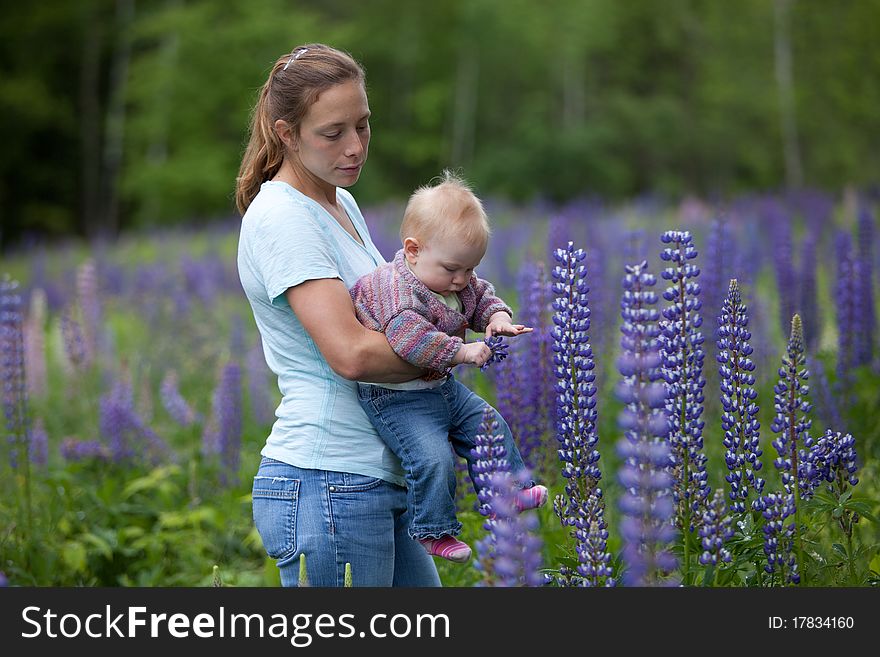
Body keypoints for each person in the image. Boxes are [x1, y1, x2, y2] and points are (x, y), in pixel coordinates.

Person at [235, 43, 441, 587]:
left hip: (376, 473)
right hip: (327, 477)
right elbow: (350, 353)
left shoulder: (338, 201)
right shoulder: (282, 216)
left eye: (363, 126)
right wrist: (447, 352)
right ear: (286, 133)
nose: (355, 147)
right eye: (333, 133)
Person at [350, 171, 549, 563]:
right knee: (432, 456)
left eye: (470, 269)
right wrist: (462, 352)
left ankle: (505, 492)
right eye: (454, 270)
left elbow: (482, 297)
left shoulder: (450, 277)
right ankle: (434, 530)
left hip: (437, 385)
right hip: (395, 397)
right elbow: (411, 341)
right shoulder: (396, 290)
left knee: (487, 424)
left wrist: (497, 318)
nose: (462, 280)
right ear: (412, 250)